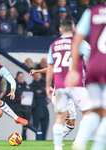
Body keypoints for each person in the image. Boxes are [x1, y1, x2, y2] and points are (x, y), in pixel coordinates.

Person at [65, 1, 106, 149]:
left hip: (94, 69)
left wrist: (74, 70)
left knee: (96, 111)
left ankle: (80, 141)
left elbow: (77, 40)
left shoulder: (91, 13)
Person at [46, 19, 92, 150]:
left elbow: (50, 67)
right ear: (74, 29)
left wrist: (48, 86)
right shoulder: (79, 42)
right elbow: (92, 57)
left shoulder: (54, 45)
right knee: (89, 113)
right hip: (75, 84)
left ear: (60, 29)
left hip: (59, 86)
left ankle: (58, 147)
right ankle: (78, 142)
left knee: (60, 117)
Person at [30, 67, 77, 142]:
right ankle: (57, 140)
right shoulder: (66, 61)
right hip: (59, 93)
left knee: (71, 125)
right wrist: (37, 71)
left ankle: (57, 138)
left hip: (70, 95)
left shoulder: (79, 65)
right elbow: (51, 68)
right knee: (66, 114)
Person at [3, 71, 33, 140]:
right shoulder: (12, 87)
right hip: (17, 110)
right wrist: (19, 98)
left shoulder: (27, 87)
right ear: (16, 77)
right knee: (17, 127)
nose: (21, 78)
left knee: (25, 127)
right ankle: (15, 139)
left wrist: (31, 107)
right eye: (19, 76)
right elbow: (9, 99)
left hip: (26, 110)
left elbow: (32, 99)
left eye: (22, 76)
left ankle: (24, 139)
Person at [30, 72, 49, 140]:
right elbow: (36, 95)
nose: (36, 76)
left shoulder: (44, 84)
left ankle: (43, 140)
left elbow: (47, 92)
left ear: (41, 76)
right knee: (36, 127)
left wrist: (41, 92)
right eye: (35, 75)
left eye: (38, 75)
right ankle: (36, 140)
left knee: (45, 127)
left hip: (44, 109)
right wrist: (42, 92)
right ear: (33, 77)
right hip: (36, 109)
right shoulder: (31, 85)